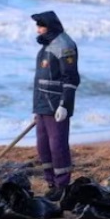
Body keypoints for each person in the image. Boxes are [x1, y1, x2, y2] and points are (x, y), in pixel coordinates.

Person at [31, 10, 80, 198]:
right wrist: (36, 109)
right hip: (42, 105)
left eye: (40, 27)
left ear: (49, 27)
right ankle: (51, 183)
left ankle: (62, 186)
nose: (38, 31)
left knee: (58, 146)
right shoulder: (47, 46)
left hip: (56, 106)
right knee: (42, 146)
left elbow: (72, 78)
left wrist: (65, 105)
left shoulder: (64, 45)